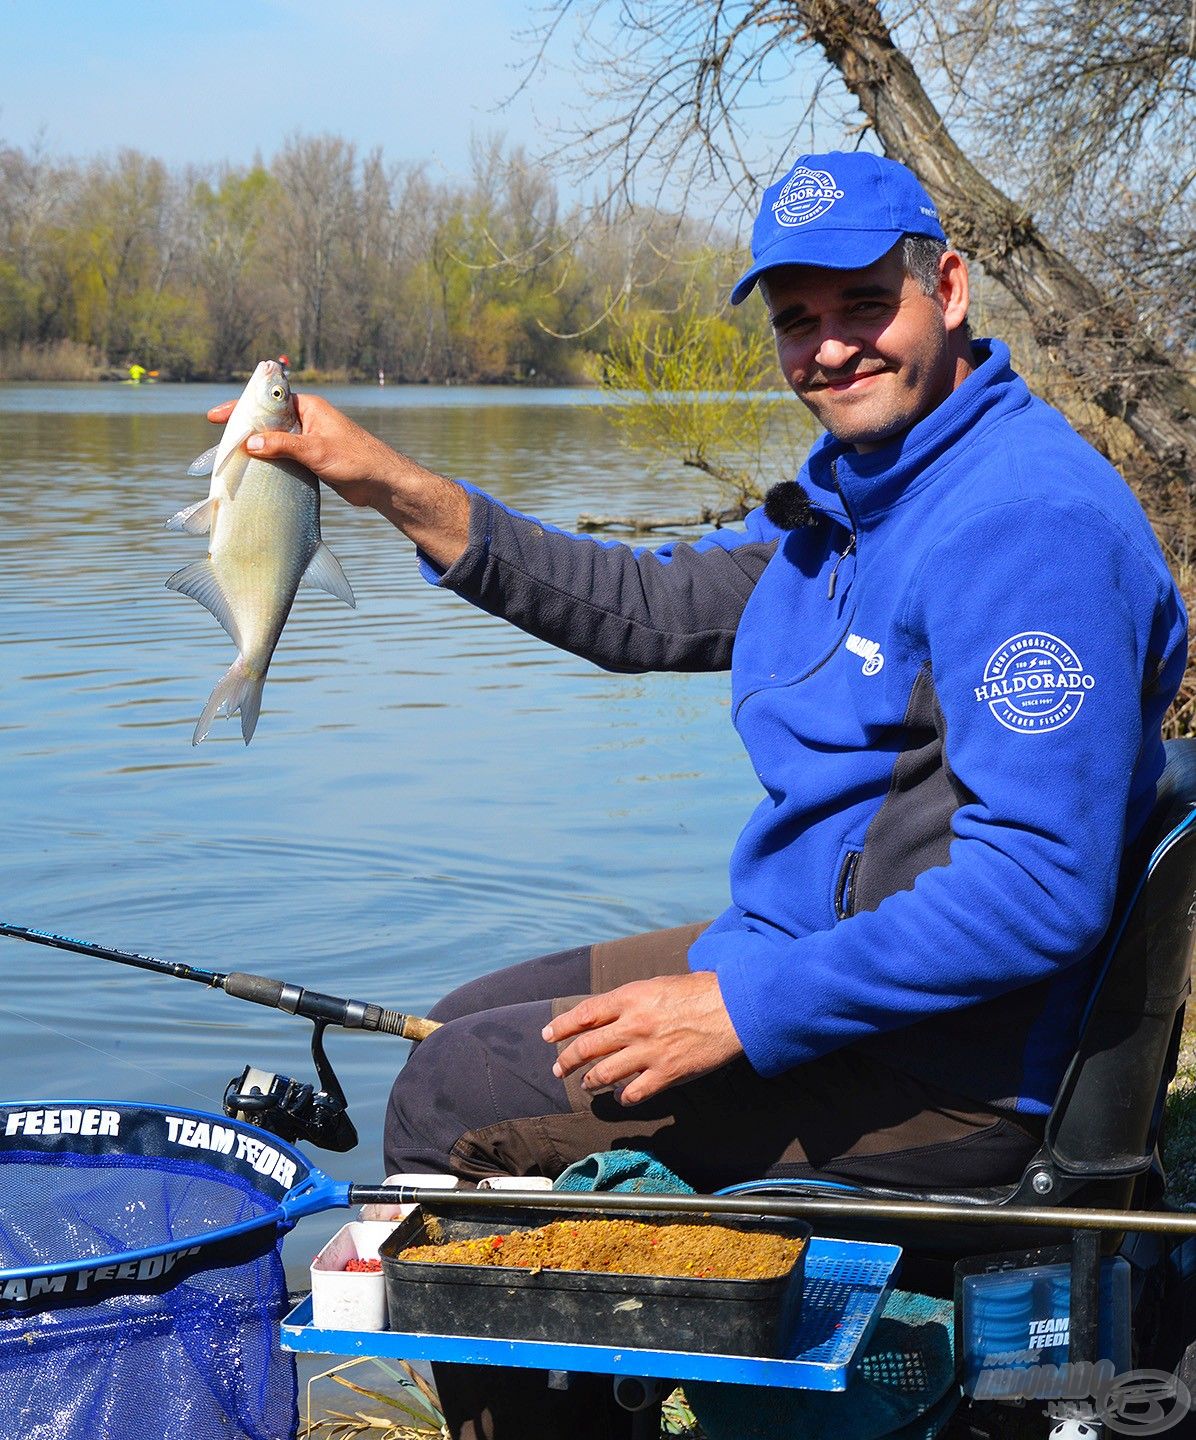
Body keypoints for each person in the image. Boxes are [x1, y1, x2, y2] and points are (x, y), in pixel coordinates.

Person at [210, 151, 1186, 1438]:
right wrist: (390, 482)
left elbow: (1034, 890)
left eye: (861, 304)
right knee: (462, 1026)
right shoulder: (867, 499)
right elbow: (645, 608)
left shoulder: (1021, 529)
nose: (829, 347)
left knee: (454, 1101)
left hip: (957, 1066)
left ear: (944, 287)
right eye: (796, 318)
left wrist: (741, 1007)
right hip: (831, 965)